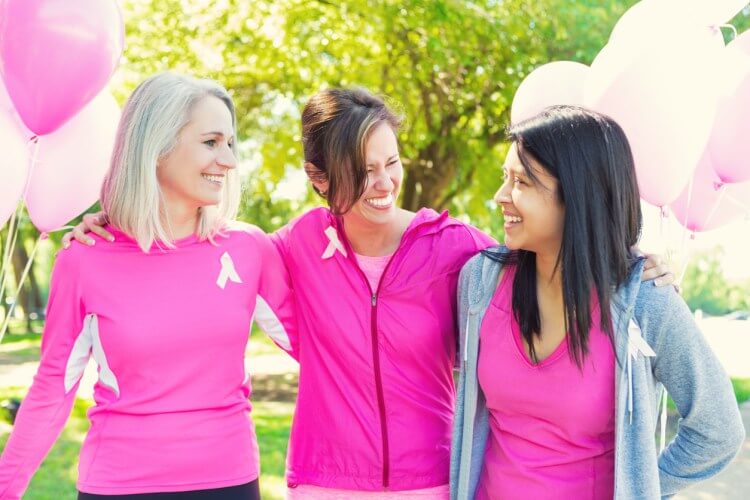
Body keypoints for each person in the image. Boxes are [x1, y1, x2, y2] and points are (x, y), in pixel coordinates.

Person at [64, 89, 674, 499]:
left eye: (391, 162)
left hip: (430, 480)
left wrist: (632, 261)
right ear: (319, 178)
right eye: (362, 169)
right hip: (325, 483)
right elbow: (196, 247)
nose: (383, 184)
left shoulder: (458, 247)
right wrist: (107, 225)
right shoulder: (292, 247)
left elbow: (553, 247)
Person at [0, 73, 296, 500]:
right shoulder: (84, 259)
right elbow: (53, 389)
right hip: (118, 485)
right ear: (156, 148)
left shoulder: (249, 249)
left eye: (230, 144)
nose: (229, 161)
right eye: (211, 142)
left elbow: (323, 350)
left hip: (228, 482)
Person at [450, 105, 745, 500]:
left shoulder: (645, 303)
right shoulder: (480, 283)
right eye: (507, 178)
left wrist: (638, 487)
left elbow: (717, 429)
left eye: (520, 181)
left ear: (576, 195)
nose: (501, 196)